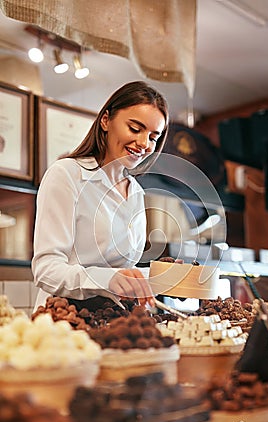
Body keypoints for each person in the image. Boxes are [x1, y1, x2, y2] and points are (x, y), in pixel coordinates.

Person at [32, 81, 169, 311]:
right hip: (65, 319)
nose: (144, 143)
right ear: (106, 120)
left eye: (153, 137)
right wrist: (107, 280)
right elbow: (46, 270)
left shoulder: (136, 192)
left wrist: (164, 279)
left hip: (114, 320)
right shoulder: (67, 174)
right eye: (135, 129)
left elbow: (123, 270)